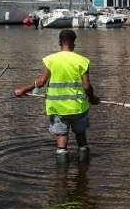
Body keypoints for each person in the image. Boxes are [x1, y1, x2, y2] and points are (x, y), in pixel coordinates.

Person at [14, 29, 100, 164]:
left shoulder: (50, 59)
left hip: (58, 108)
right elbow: (87, 87)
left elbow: (41, 82)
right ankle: (84, 168)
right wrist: (93, 98)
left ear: (60, 42)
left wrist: (23, 89)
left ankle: (62, 174)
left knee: (62, 136)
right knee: (81, 136)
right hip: (78, 107)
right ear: (74, 43)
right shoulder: (83, 61)